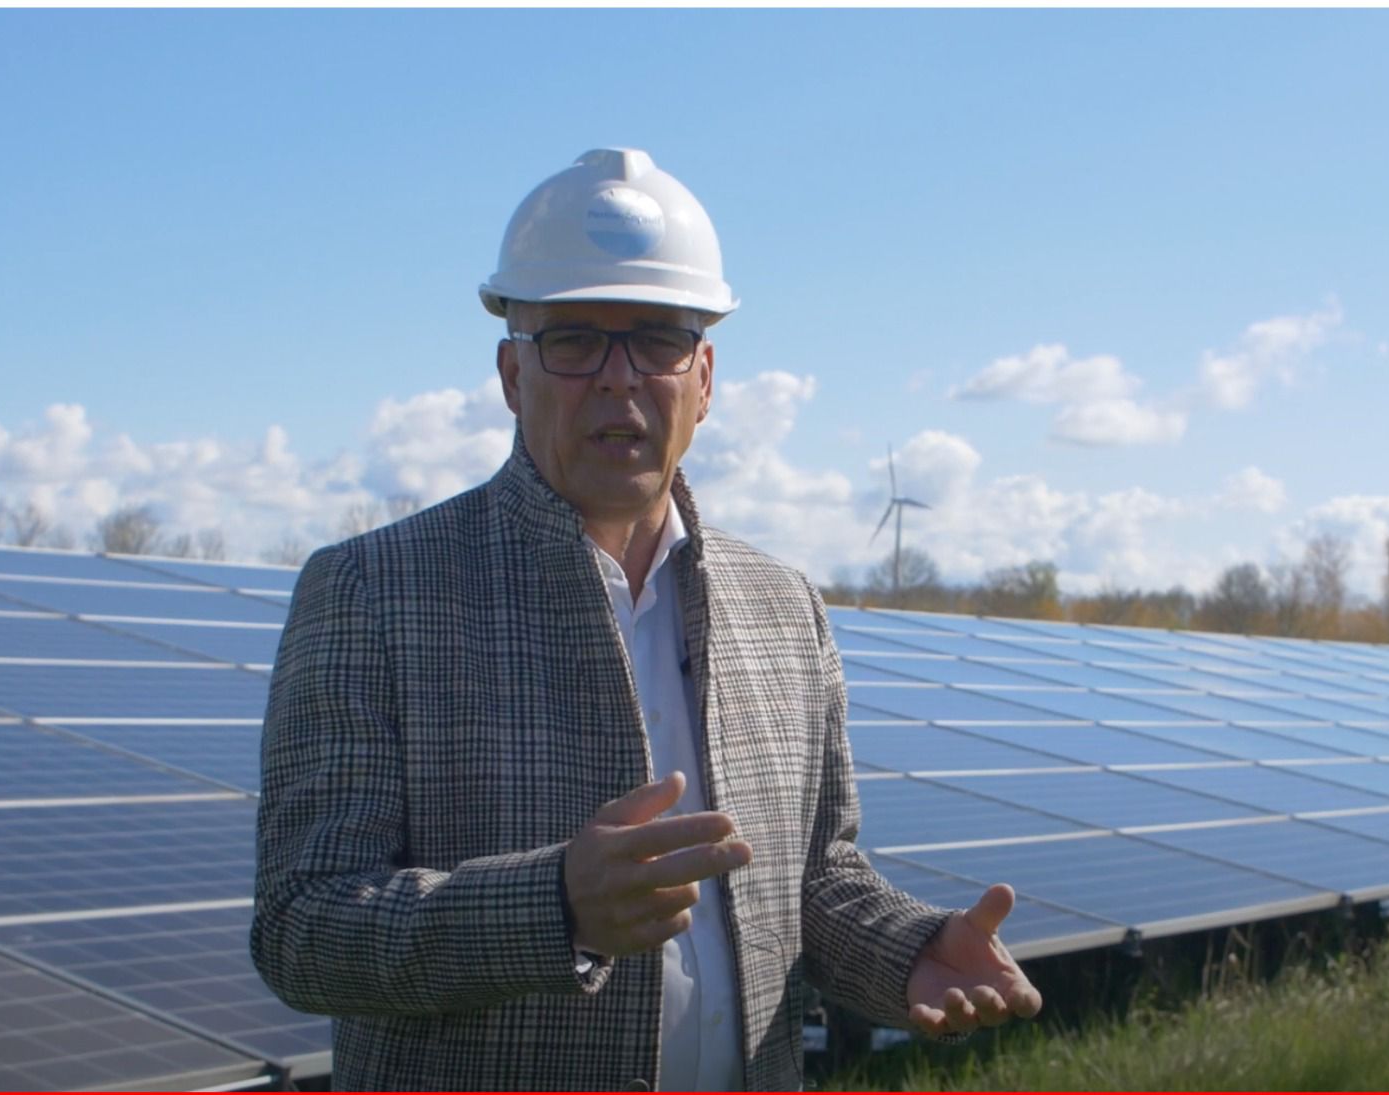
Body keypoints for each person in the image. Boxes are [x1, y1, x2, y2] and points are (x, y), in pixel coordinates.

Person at [252, 148, 1041, 1092]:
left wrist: (909, 951)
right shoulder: (373, 592)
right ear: (512, 373)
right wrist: (554, 907)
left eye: (660, 340)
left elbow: (814, 879)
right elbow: (302, 925)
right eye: (575, 340)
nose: (619, 379)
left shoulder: (783, 606)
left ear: (703, 378)